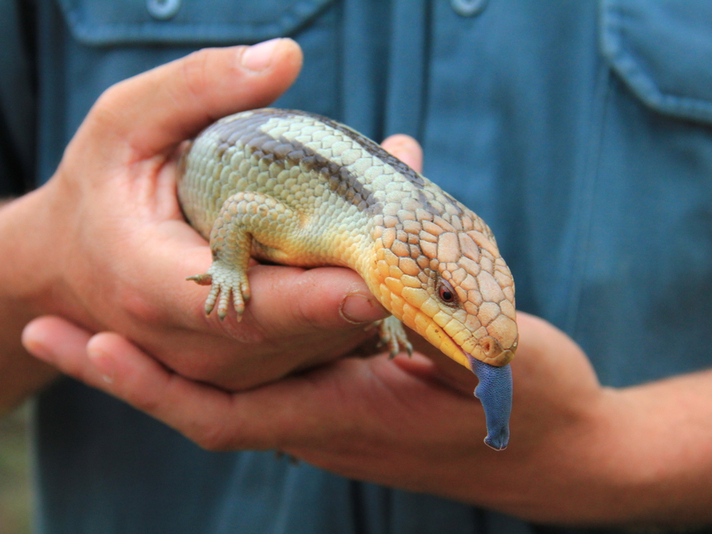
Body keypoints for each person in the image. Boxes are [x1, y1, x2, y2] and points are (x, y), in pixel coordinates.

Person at [2, 0, 712, 532]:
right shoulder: (322, 227)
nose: (497, 344)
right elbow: (242, 213)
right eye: (443, 294)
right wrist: (54, 262)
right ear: (405, 266)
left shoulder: (376, 243)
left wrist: (603, 450)